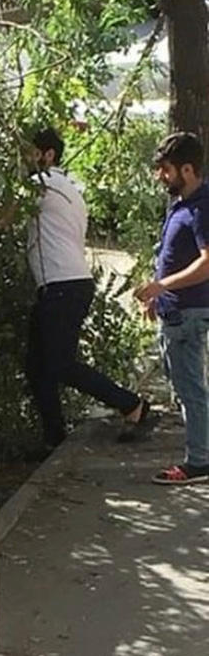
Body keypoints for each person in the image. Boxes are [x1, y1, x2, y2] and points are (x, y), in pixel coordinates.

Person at [24, 127, 151, 455]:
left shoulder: (44, 183)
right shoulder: (67, 187)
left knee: (60, 364)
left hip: (63, 286)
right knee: (38, 366)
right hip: (64, 285)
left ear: (47, 154)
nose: (22, 159)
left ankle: (132, 404)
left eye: (27, 151)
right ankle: (54, 438)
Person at [134, 132, 209, 485]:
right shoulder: (184, 205)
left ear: (188, 169)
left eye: (166, 170)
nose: (160, 176)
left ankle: (199, 462)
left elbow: (207, 265)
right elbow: (175, 257)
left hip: (188, 314)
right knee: (184, 386)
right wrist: (157, 296)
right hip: (176, 312)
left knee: (190, 388)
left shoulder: (201, 208)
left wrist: (162, 286)